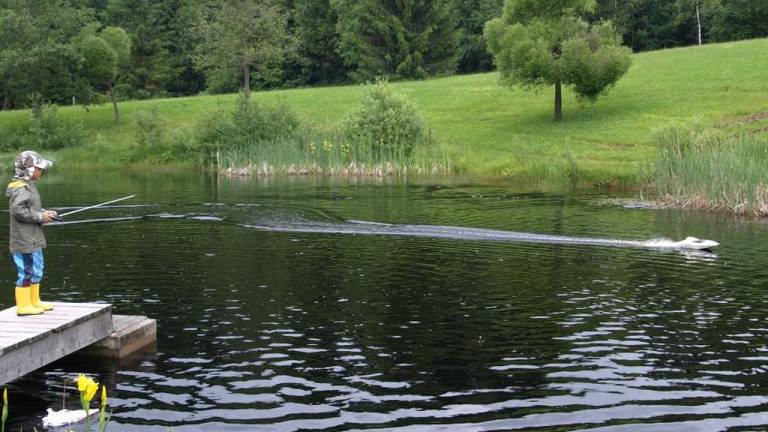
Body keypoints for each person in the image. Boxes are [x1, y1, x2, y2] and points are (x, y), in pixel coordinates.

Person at [6, 151, 57, 315]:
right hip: (23, 240)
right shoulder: (21, 189)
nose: (40, 172)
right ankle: (23, 306)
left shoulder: (29, 186)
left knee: (37, 270)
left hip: (34, 238)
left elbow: (31, 210)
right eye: (38, 168)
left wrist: (44, 213)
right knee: (26, 271)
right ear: (28, 169)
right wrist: (40, 216)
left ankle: (34, 301)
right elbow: (18, 212)